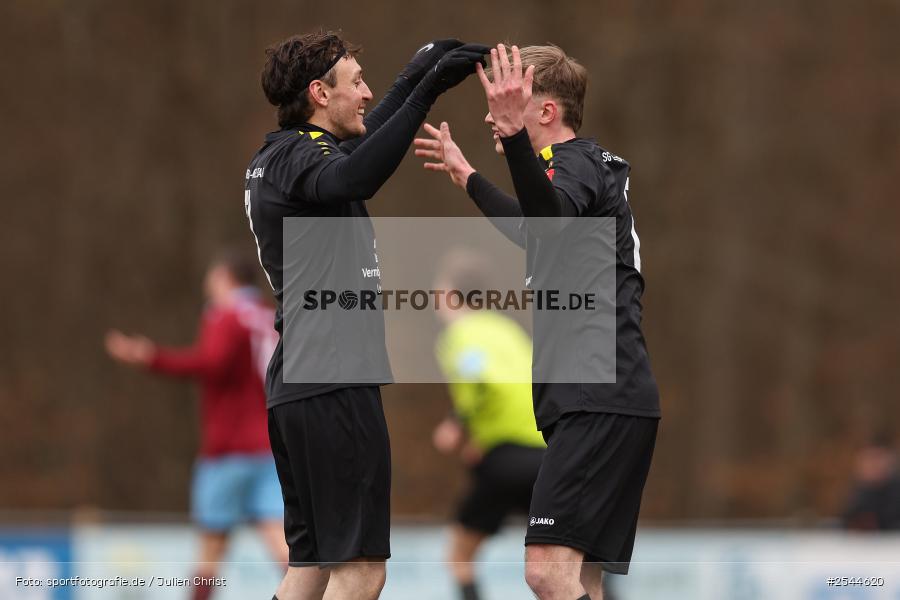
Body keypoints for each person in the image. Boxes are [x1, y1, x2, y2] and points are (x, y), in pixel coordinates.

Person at [244, 31, 488, 600]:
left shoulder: (286, 156)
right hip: (333, 377)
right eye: (356, 84)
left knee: (311, 568)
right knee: (362, 570)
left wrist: (416, 74)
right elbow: (357, 176)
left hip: (302, 380)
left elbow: (358, 150)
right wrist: (423, 92)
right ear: (318, 94)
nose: (366, 94)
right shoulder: (300, 156)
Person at [414, 44, 660, 600]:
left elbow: (544, 223)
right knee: (581, 581)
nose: (491, 115)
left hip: (597, 399)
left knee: (547, 572)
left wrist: (513, 141)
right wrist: (472, 178)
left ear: (545, 113)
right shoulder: (577, 174)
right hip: (608, 398)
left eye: (507, 101)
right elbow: (537, 225)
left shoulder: (570, 163)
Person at [104, 249, 286, 600]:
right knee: (281, 542)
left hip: (227, 448)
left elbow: (211, 363)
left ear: (223, 278)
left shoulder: (225, 316)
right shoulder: (268, 315)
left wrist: (150, 357)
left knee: (210, 550)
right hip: (270, 443)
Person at [431, 250, 545, 600]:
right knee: (561, 556)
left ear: (450, 297)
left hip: (505, 456)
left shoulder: (460, 335)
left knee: (459, 556)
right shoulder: (506, 329)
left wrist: (457, 425)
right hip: (545, 452)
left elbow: (482, 380)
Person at [841, 434, 900, 531]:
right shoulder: (858, 492)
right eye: (868, 459)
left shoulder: (896, 492)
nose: (873, 465)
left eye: (877, 458)